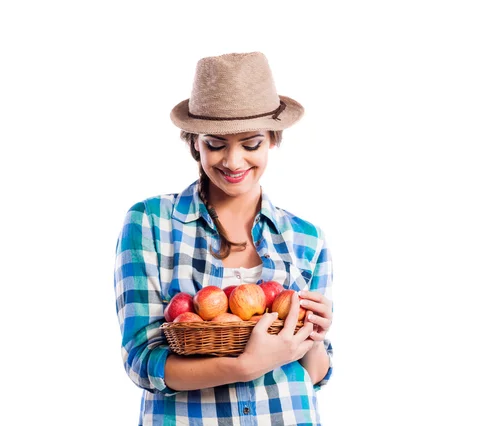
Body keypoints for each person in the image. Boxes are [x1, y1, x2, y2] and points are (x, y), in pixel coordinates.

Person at [114, 52, 333, 425]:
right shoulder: (151, 222)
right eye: (215, 144)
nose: (233, 162)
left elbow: (313, 375)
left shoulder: (306, 238)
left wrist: (313, 336)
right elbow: (142, 361)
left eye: (251, 144)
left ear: (272, 141)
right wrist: (245, 366)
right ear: (194, 143)